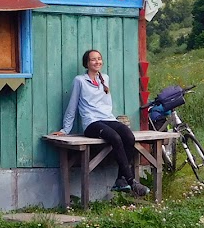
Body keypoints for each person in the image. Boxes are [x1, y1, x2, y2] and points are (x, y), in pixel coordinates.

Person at [51, 48, 149, 197]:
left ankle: (120, 180)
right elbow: (72, 105)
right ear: (87, 63)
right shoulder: (80, 81)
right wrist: (65, 129)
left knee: (129, 136)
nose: (97, 62)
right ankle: (131, 181)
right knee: (115, 138)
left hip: (108, 118)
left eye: (99, 58)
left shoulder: (105, 78)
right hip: (91, 123)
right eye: (93, 59)